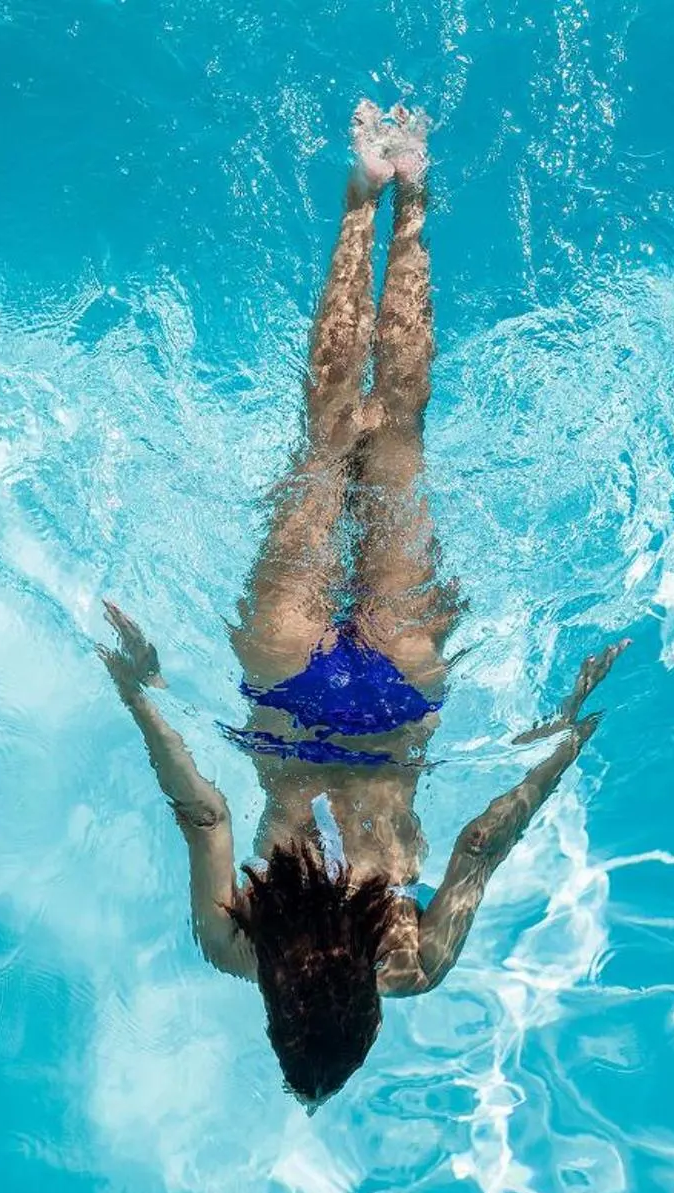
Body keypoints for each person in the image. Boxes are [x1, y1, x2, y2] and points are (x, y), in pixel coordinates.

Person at [98, 102, 626, 1109]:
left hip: (395, 704)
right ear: (282, 1018)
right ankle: (363, 197)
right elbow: (202, 806)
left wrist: (565, 741)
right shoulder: (233, 945)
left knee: (397, 435)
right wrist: (137, 691)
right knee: (331, 429)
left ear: (364, 1016)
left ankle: (415, 200)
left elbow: (479, 842)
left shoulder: (416, 962)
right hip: (289, 693)